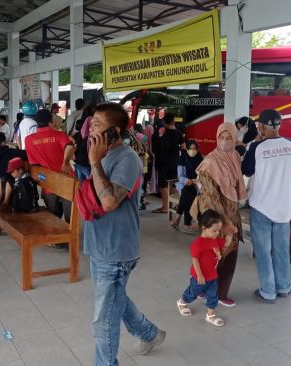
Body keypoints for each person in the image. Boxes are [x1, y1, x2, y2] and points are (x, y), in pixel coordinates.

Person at [86, 103, 165, 365]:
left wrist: (94, 163)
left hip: (116, 251)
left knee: (104, 318)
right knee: (114, 301)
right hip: (100, 245)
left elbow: (109, 202)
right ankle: (149, 333)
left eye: (97, 125)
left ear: (114, 132)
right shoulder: (104, 154)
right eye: (91, 123)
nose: (90, 129)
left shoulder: (127, 159)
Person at [242, 109, 291, 304]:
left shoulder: (257, 147)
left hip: (262, 206)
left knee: (263, 251)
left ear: (261, 126)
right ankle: (283, 286)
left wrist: (256, 142)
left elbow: (246, 170)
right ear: (279, 125)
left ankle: (268, 291)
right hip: (284, 207)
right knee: (281, 249)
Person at [197, 123, 247, 307]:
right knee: (216, 257)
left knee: (229, 255)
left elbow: (235, 187)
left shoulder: (235, 157)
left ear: (235, 139)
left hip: (232, 216)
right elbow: (210, 198)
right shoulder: (210, 163)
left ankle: (217, 292)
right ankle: (212, 292)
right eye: (221, 138)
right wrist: (223, 223)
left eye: (229, 138)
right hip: (217, 220)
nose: (225, 142)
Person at [176, 209, 232, 327]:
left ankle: (210, 316)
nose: (217, 233)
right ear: (204, 228)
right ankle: (182, 302)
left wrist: (230, 233)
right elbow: (195, 260)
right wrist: (199, 274)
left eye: (218, 230)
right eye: (214, 231)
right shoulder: (198, 244)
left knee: (213, 295)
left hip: (212, 275)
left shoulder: (215, 240)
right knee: (193, 293)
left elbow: (226, 244)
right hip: (199, 276)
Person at [25, 109, 74, 221]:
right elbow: (69, 147)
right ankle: (69, 237)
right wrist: (65, 162)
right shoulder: (59, 135)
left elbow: (34, 164)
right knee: (70, 219)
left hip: (47, 182)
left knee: (53, 217)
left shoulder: (28, 140)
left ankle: (56, 237)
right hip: (66, 181)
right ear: (50, 121)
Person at [151, 113, 184, 214]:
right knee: (173, 183)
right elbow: (183, 148)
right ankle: (173, 205)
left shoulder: (157, 133)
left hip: (162, 162)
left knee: (163, 185)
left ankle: (165, 207)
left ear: (163, 122)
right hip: (175, 162)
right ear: (173, 122)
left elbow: (153, 149)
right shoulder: (179, 133)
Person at [172, 140, 203, 234]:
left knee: (187, 194)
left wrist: (196, 180)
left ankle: (178, 219)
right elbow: (180, 176)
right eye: (190, 149)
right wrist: (187, 181)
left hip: (197, 185)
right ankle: (187, 223)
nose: (192, 151)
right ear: (187, 149)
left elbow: (203, 175)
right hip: (184, 184)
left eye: (194, 149)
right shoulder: (183, 159)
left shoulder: (200, 159)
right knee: (187, 192)